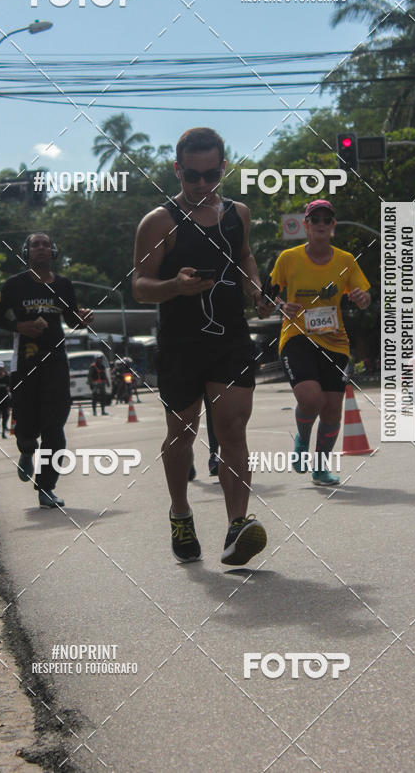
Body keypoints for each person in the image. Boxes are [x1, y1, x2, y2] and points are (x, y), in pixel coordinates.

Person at [132, 126, 268, 565]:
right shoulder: (159, 222)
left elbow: (244, 255)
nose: (203, 185)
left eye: (212, 176)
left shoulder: (238, 214)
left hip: (230, 337)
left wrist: (254, 285)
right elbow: (139, 286)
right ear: (177, 171)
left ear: (223, 169)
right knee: (182, 432)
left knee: (232, 428)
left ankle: (237, 527)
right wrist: (173, 285)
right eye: (193, 176)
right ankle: (180, 513)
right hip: (180, 342)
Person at [269, 199, 371, 486]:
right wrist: (279, 306)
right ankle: (302, 439)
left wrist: (363, 298)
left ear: (333, 227)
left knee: (331, 409)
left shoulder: (346, 261)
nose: (322, 224)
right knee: (310, 398)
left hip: (335, 343)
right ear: (306, 226)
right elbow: (267, 295)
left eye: (327, 220)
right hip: (297, 336)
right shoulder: (288, 258)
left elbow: (362, 294)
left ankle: (320, 467)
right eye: (316, 220)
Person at [0, 233, 92, 508]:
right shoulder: (14, 285)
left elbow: (72, 318)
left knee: (55, 425)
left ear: (53, 251)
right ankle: (27, 449)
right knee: (25, 422)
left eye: (46, 244)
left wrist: (83, 319)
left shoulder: (63, 285)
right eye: (35, 245)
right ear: (27, 252)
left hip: (56, 362)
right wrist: (19, 327)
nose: (40, 248)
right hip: (24, 363)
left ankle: (46, 487)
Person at [0, 362, 11, 438]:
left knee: (5, 416)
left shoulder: (7, 378)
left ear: (3, 369)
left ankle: (3, 431)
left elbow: (11, 388)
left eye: (1, 369)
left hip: (5, 401)